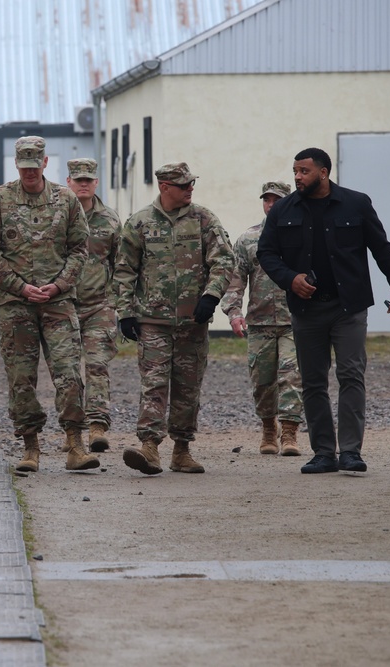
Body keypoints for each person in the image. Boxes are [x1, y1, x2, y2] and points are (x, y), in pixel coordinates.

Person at [257, 147, 390, 474]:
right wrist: (291, 279)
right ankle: (324, 453)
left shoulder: (356, 204)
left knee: (351, 375)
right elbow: (267, 254)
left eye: (304, 171)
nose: (298, 177)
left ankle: (351, 452)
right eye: (295, 171)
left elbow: (381, 248)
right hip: (306, 310)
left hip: (349, 307)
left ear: (323, 173)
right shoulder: (282, 210)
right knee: (313, 382)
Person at [0, 136, 99, 473]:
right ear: (16, 165)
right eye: (24, 167)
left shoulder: (66, 199)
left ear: (46, 163)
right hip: (17, 304)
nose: (30, 173)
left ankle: (75, 444)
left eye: (35, 166)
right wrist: (20, 286)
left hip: (58, 302)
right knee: (21, 379)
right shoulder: (0, 199)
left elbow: (79, 248)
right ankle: (30, 446)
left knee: (69, 374)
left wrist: (59, 284)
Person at [114, 162, 234, 475]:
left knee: (187, 386)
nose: (189, 189)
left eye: (191, 184)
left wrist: (211, 296)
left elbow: (223, 261)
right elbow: (125, 270)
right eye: (183, 185)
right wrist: (125, 313)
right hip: (152, 321)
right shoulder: (139, 223)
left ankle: (182, 450)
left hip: (192, 321)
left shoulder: (204, 219)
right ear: (164, 187)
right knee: (154, 384)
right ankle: (149, 447)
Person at [221, 181, 304, 456]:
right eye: (267, 200)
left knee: (292, 377)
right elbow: (235, 280)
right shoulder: (248, 239)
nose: (271, 205)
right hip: (260, 323)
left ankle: (290, 433)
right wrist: (234, 312)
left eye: (276, 200)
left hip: (295, 321)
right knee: (262, 382)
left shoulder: (303, 233)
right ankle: (269, 428)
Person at [65, 158, 122, 453]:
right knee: (68, 370)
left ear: (96, 183)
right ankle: (72, 431)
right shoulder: (58, 216)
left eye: (89, 179)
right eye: (78, 179)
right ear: (68, 182)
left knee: (98, 365)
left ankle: (98, 426)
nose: (84, 184)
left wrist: (117, 302)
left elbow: (121, 264)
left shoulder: (110, 220)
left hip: (100, 306)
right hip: (63, 306)